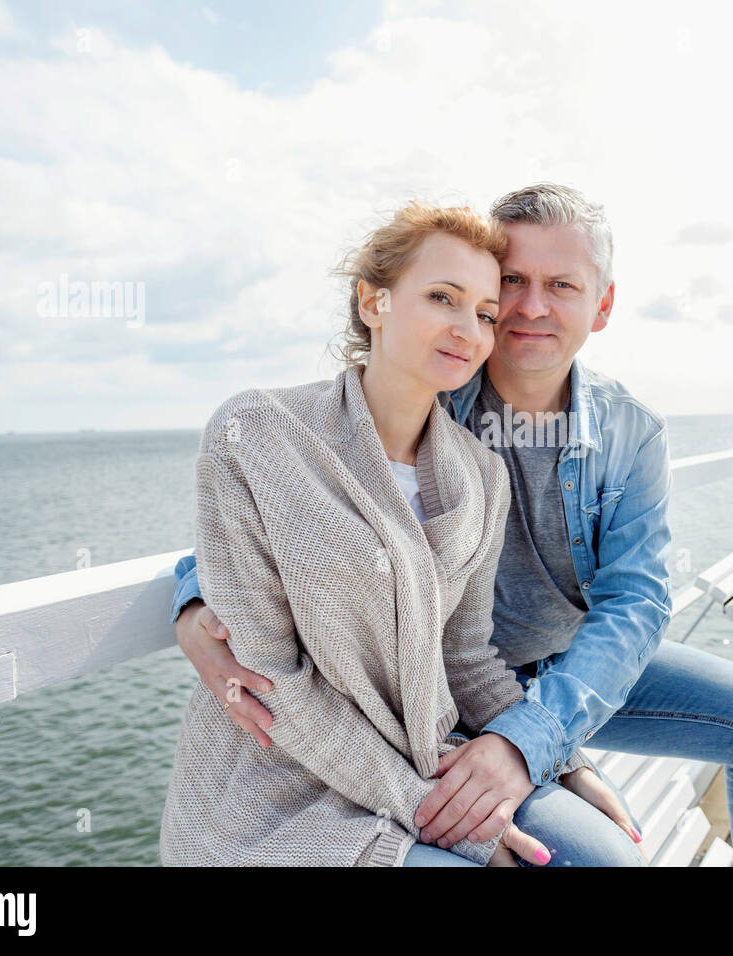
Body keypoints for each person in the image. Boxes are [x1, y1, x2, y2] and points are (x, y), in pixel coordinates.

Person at [172, 183, 733, 866]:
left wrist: (537, 740)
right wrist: (192, 598)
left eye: (563, 285)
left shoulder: (628, 432)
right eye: (512, 282)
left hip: (562, 673)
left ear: (601, 306)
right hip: (444, 687)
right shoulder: (431, 383)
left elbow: (635, 603)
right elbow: (279, 500)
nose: (531, 307)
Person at [159, 199, 645, 867]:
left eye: (481, 313)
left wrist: (561, 761)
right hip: (280, 785)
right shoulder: (257, 434)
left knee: (610, 859)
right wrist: (441, 817)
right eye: (441, 297)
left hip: (421, 752)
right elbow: (273, 676)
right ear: (372, 302)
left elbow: (466, 658)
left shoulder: (479, 474)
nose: (468, 330)